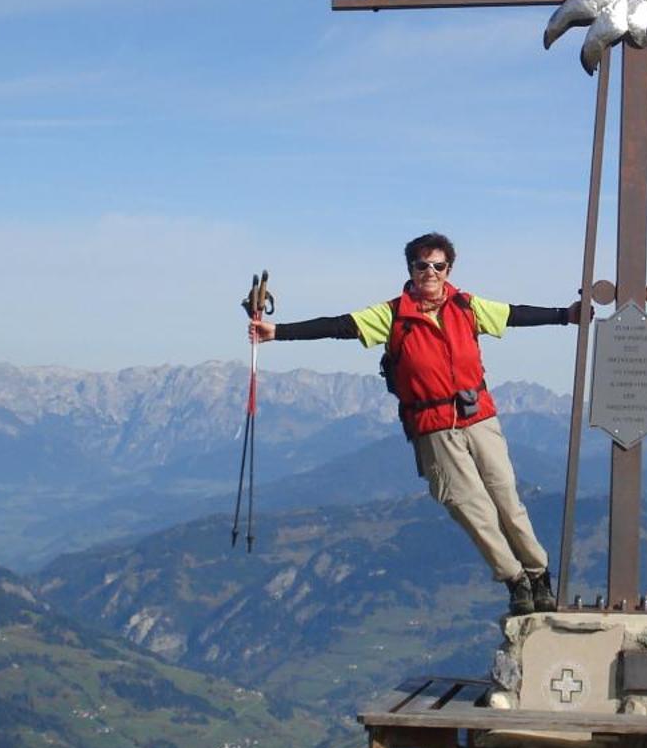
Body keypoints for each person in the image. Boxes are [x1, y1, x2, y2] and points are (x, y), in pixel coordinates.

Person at [247, 232, 578, 619]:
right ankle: (515, 580)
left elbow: (515, 314)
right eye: (423, 265)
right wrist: (279, 332)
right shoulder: (392, 315)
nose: (431, 272)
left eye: (438, 265)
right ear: (411, 270)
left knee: (506, 500)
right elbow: (339, 325)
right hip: (433, 425)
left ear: (448, 269)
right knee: (471, 508)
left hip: (479, 417)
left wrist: (563, 316)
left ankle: (539, 576)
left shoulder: (466, 306)